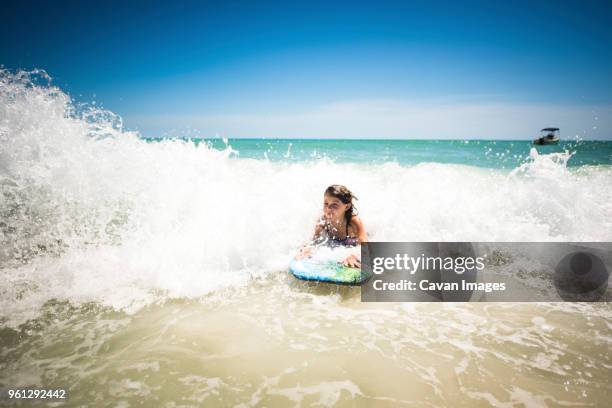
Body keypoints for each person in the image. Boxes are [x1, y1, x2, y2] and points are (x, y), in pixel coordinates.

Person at [297, 184, 368, 267]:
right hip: (338, 245)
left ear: (347, 206)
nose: (328, 209)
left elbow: (366, 245)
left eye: (334, 205)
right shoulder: (323, 221)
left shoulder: (354, 222)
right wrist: (307, 249)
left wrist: (355, 256)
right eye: (326, 203)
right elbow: (314, 241)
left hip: (352, 245)